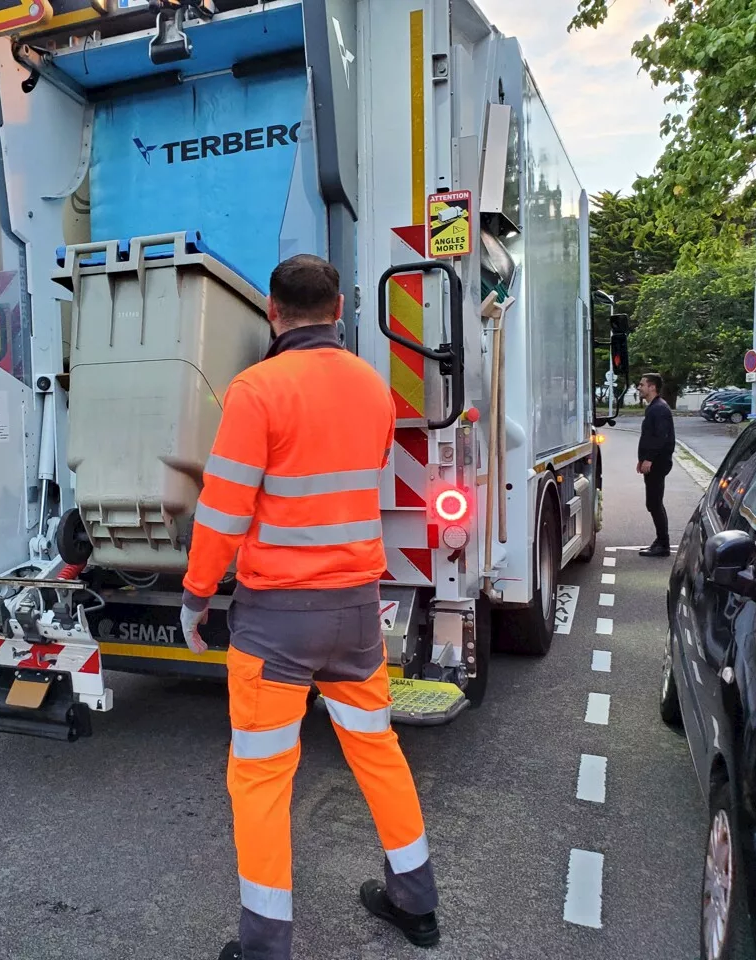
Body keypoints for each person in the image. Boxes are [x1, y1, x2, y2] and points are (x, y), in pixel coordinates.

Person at [178, 254, 440, 960]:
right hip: (357, 608)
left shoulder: (256, 390)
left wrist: (198, 593)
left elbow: (224, 508)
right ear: (339, 313)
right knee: (377, 751)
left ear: (272, 312)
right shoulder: (374, 389)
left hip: (277, 619)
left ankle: (266, 945)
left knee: (262, 775)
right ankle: (416, 904)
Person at [636, 372, 675, 557]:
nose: (639, 387)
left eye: (642, 384)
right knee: (653, 503)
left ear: (652, 387)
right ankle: (661, 541)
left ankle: (663, 543)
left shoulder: (659, 409)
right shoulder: (654, 407)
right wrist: (642, 459)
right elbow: (649, 437)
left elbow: (661, 438)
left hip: (657, 463)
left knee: (654, 503)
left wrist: (649, 459)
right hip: (653, 462)